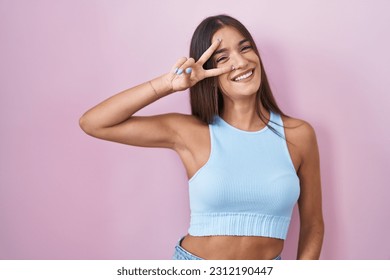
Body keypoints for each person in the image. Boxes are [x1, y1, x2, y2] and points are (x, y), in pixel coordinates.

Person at [79, 14, 324, 260]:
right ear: (209, 72)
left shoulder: (298, 135)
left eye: (245, 48)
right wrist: (168, 83)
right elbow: (94, 123)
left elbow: (313, 225)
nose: (239, 62)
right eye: (223, 58)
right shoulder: (188, 132)